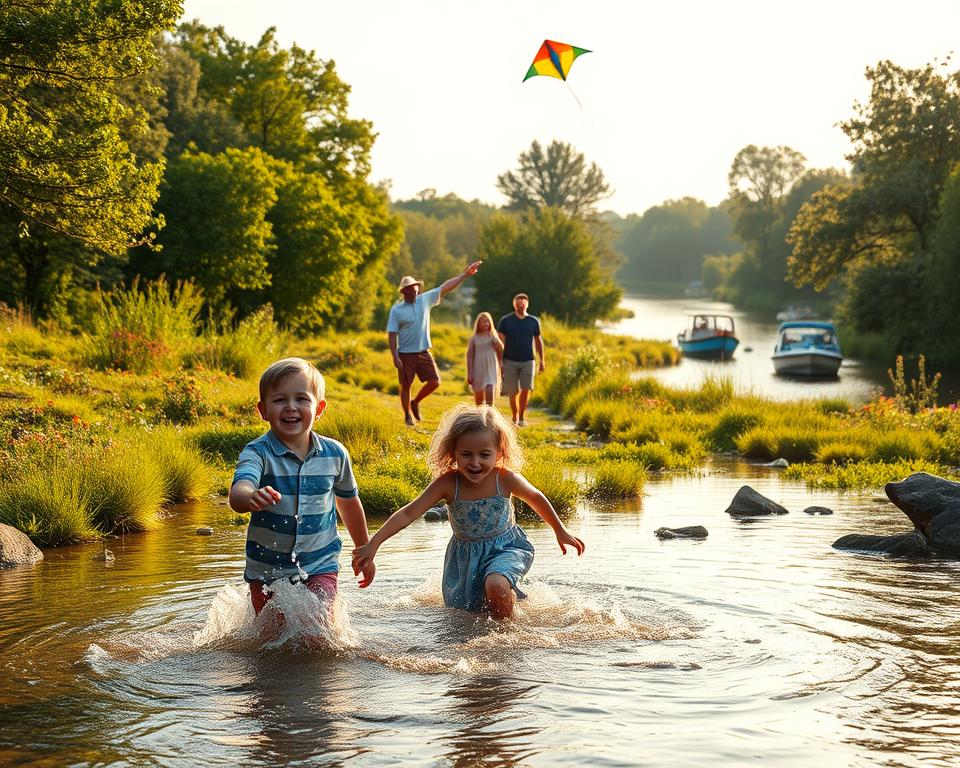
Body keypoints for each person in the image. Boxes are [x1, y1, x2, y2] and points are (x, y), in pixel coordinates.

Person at [351, 404, 584, 620]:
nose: (475, 462)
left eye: (484, 454)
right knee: (470, 614)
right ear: (452, 453)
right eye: (466, 454)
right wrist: (374, 544)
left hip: (506, 547)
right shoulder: (448, 484)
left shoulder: (505, 479)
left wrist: (559, 530)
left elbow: (536, 498)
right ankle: (504, 610)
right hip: (465, 557)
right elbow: (408, 514)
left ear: (499, 452)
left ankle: (506, 636)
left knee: (495, 584)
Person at [229, 357, 375, 620]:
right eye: (280, 399)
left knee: (318, 630)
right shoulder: (258, 453)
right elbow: (239, 492)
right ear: (263, 410)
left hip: (320, 564)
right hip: (266, 570)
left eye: (301, 399)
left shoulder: (335, 454)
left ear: (319, 408)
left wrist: (364, 550)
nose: (291, 407)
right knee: (269, 639)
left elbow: (349, 504)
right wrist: (250, 496)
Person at [387, 261, 482, 426]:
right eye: (409, 288)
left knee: (435, 381)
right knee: (406, 385)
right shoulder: (397, 310)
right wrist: (395, 356)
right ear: (403, 292)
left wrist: (465, 275)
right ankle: (407, 416)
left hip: (423, 351)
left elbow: (445, 287)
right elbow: (392, 334)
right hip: (405, 354)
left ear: (418, 288)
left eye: (415, 287)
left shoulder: (425, 300)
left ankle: (415, 402)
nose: (413, 290)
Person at [497, 293, 544, 427]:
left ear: (527, 304)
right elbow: (500, 342)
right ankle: (514, 416)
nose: (521, 304)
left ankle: (522, 417)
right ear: (514, 304)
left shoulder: (533, 321)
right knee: (513, 391)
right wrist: (499, 361)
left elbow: (538, 341)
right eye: (518, 302)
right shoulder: (505, 321)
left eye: (523, 302)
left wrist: (542, 360)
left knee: (525, 389)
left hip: (528, 360)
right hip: (509, 360)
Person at [466, 311, 504, 406]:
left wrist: (495, 338)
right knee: (478, 398)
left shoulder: (492, 336)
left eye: (488, 321)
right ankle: (479, 417)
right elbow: (469, 355)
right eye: (483, 321)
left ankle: (489, 415)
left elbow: (501, 348)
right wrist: (469, 373)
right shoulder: (474, 338)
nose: (486, 323)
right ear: (478, 323)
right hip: (478, 367)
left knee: (490, 388)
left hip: (491, 366)